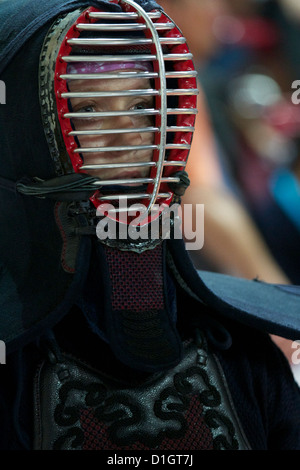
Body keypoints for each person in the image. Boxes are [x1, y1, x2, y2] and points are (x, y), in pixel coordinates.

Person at [0, 0, 300, 452]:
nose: (130, 136)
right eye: (88, 108)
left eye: (141, 104)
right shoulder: (15, 372)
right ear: (26, 130)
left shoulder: (243, 353)